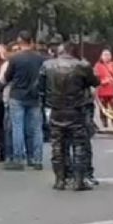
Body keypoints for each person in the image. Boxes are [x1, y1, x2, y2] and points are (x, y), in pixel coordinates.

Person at [40, 42, 100, 191]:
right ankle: (79, 180)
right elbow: (95, 82)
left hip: (56, 109)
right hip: (76, 108)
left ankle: (60, 180)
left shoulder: (47, 65)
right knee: (79, 144)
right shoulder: (82, 66)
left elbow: (40, 87)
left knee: (57, 145)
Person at [4, 30, 46, 170]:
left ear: (19, 41)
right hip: (34, 96)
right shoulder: (40, 59)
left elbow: (7, 77)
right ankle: (36, 159)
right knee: (35, 129)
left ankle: (18, 158)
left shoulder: (15, 59)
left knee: (17, 128)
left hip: (17, 95)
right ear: (32, 42)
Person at [94, 48, 113, 126]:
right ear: (101, 56)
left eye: (108, 55)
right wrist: (104, 81)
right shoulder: (98, 66)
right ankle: (105, 123)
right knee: (103, 109)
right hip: (102, 91)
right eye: (105, 55)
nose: (107, 56)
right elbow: (95, 79)